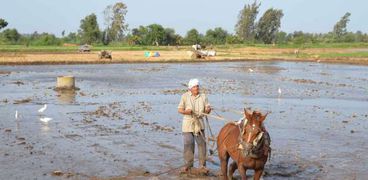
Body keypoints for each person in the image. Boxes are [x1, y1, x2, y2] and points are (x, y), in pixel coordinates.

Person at [178, 78, 211, 174]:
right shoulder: (184, 96)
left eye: (197, 86)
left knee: (202, 145)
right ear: (190, 88)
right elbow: (179, 109)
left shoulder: (203, 96)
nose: (197, 88)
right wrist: (186, 112)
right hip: (188, 124)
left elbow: (207, 109)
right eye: (194, 86)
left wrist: (208, 110)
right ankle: (188, 166)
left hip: (199, 124)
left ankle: (202, 166)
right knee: (189, 144)